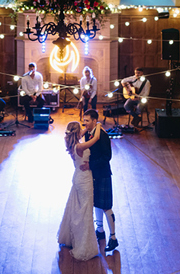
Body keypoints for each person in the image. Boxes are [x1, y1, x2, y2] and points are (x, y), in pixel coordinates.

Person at [58, 120, 104, 261]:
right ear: (77, 133)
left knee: (77, 208)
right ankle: (84, 246)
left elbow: (82, 132)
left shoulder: (72, 144)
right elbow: (96, 139)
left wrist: (85, 128)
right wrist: (98, 125)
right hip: (84, 180)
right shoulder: (80, 146)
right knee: (85, 211)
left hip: (77, 177)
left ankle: (73, 238)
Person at [79, 110, 117, 252]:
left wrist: (91, 165)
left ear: (95, 121)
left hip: (102, 174)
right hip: (93, 174)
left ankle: (113, 238)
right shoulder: (89, 134)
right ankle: (100, 231)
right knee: (96, 204)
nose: (85, 123)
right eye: (84, 120)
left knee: (106, 206)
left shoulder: (103, 136)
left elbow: (107, 157)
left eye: (87, 121)